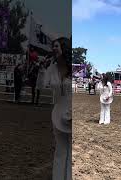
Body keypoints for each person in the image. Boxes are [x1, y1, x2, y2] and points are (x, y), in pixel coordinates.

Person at [44, 37, 71, 179]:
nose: (54, 48)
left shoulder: (73, 69)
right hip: (57, 113)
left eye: (56, 46)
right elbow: (43, 83)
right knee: (60, 149)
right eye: (53, 46)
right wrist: (45, 65)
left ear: (64, 48)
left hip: (72, 111)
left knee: (71, 150)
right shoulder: (51, 68)